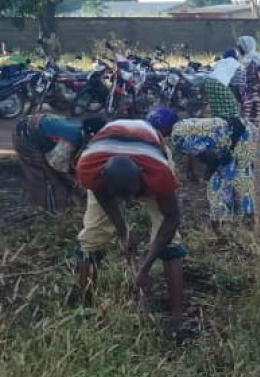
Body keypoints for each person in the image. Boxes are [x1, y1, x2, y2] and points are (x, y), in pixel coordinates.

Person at [73, 119, 189, 338]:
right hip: (106, 150)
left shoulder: (159, 173)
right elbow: (104, 197)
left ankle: (177, 319)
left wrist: (145, 267)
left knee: (170, 240)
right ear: (104, 179)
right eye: (122, 196)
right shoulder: (89, 168)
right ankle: (85, 311)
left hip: (151, 148)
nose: (131, 200)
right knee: (92, 236)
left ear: (142, 179)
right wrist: (124, 231)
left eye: (134, 193)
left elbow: (172, 217)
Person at [151, 108, 260, 222]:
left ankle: (249, 218)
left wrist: (214, 168)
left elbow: (206, 155)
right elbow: (199, 150)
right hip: (240, 131)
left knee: (237, 178)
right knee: (228, 180)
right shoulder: (183, 125)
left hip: (243, 136)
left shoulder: (177, 135)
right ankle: (232, 218)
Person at [13, 114, 107, 212]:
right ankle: (51, 210)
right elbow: (56, 166)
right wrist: (76, 185)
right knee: (47, 177)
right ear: (90, 135)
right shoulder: (70, 140)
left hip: (37, 124)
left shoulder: (80, 132)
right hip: (25, 135)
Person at [203, 55, 242, 120]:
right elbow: (237, 82)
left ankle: (220, 121)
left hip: (208, 81)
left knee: (217, 105)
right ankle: (231, 123)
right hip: (219, 83)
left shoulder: (223, 61)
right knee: (233, 107)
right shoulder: (236, 64)